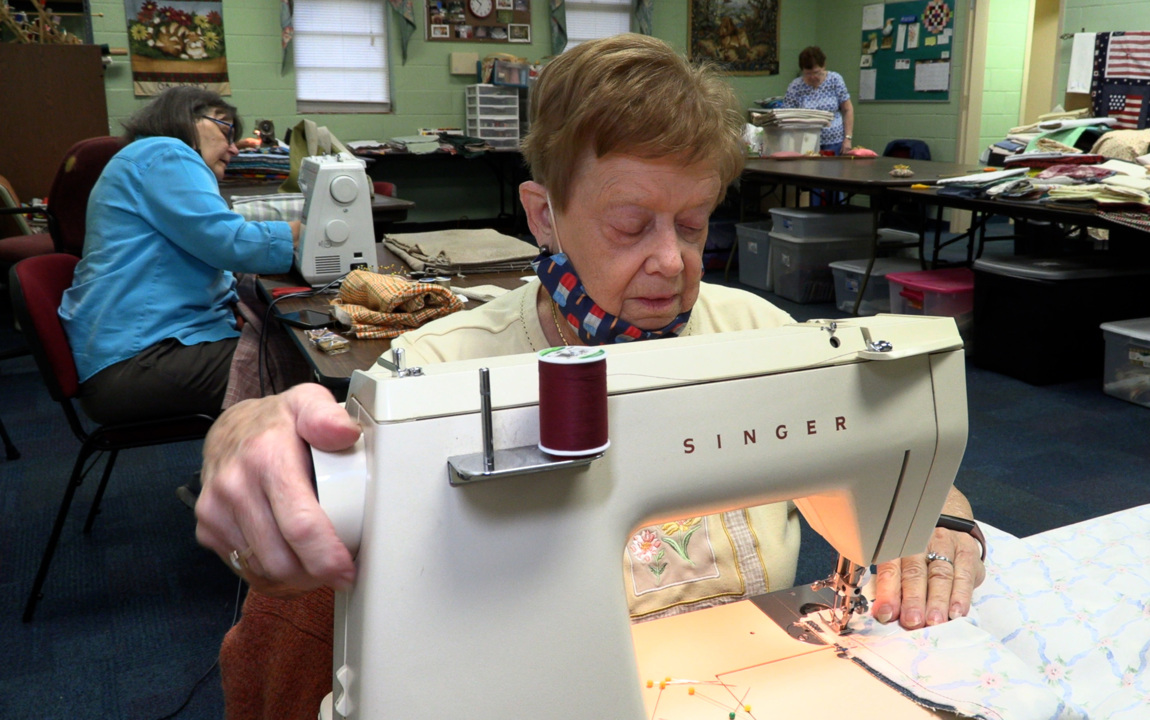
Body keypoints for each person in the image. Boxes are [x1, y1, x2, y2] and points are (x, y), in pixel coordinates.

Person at [194, 34, 985, 719]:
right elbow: (299, 490)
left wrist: (944, 524)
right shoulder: (439, 374)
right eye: (631, 226)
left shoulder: (765, 336)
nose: (672, 261)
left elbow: (895, 454)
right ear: (544, 215)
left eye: (693, 224)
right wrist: (248, 435)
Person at [58, 87, 302, 426]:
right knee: (306, 361)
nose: (234, 147)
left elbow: (211, 244)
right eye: (226, 129)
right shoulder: (165, 153)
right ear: (187, 119)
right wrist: (305, 230)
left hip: (131, 352)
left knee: (289, 345)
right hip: (140, 360)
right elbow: (230, 242)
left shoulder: (144, 158)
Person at [784, 45, 855, 154]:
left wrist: (848, 138)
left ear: (824, 66)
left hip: (834, 142)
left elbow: (847, 109)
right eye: (808, 73)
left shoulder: (835, 80)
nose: (813, 77)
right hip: (805, 142)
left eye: (816, 72)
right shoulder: (795, 87)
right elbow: (787, 116)